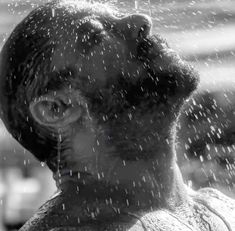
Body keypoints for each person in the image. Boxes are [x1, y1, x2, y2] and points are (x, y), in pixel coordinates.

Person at [0, 1, 234, 230]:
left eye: (118, 18)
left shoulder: (217, 206)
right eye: (96, 35)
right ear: (56, 109)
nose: (141, 21)